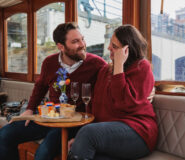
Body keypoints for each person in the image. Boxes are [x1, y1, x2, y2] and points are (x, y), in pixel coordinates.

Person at [0, 22, 106, 160]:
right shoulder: (49, 62)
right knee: (5, 134)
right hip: (50, 116)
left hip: (74, 122)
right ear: (61, 46)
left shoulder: (97, 64)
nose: (82, 44)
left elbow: (111, 85)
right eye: (75, 41)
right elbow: (40, 86)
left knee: (43, 154)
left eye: (82, 39)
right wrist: (30, 109)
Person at [67, 25, 158, 160]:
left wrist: (119, 67)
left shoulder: (141, 67)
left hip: (138, 132)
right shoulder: (105, 70)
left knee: (87, 134)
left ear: (126, 51)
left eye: (114, 46)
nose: (109, 48)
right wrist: (80, 139)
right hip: (110, 136)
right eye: (110, 43)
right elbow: (95, 105)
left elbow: (124, 103)